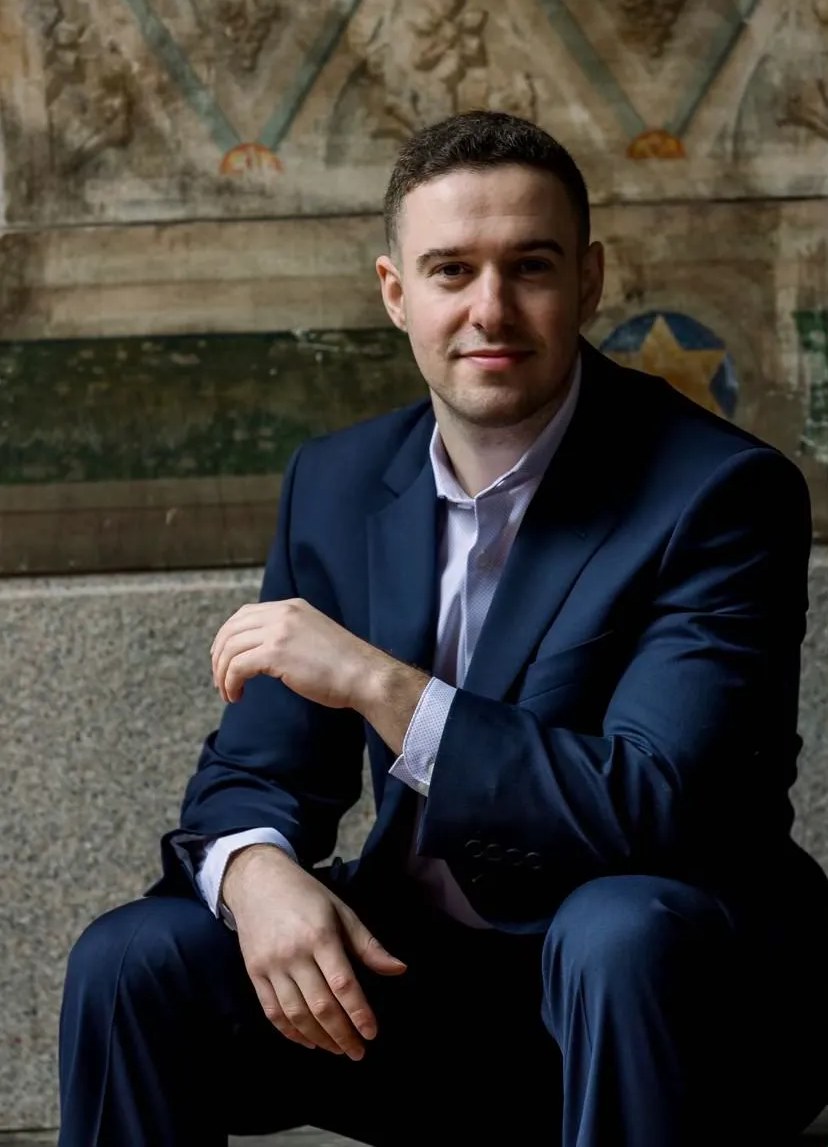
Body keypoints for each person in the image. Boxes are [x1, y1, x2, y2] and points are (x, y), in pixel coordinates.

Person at [59, 110, 828, 1147]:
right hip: (419, 994)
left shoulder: (722, 493)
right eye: (451, 270)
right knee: (131, 959)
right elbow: (255, 774)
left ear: (590, 280)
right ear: (396, 293)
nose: (490, 308)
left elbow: (657, 803)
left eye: (531, 267)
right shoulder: (334, 482)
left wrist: (382, 686)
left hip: (661, 996)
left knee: (614, 929)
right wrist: (254, 872)